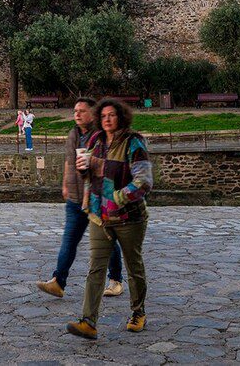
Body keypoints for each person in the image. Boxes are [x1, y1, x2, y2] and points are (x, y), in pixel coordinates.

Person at [67, 98, 153, 340]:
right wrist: (83, 168)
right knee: (96, 268)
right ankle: (88, 322)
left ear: (121, 117)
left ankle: (138, 312)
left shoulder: (133, 142)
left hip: (128, 217)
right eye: (103, 115)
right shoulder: (95, 140)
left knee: (133, 266)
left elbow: (144, 181)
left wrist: (118, 195)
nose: (106, 119)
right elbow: (90, 173)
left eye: (111, 115)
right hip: (99, 216)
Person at [37, 97, 124, 300]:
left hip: (97, 197)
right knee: (69, 240)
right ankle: (58, 282)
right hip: (76, 199)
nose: (77, 114)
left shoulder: (102, 135)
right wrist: (65, 185)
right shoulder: (73, 134)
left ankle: (116, 280)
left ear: (92, 114)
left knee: (108, 239)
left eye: (81, 111)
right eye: (75, 110)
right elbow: (69, 162)